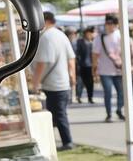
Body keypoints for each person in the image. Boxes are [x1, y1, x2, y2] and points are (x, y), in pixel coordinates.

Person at [32, 11, 76, 150]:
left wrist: (35, 83)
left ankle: (67, 142)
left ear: (45, 21)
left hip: (53, 84)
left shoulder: (46, 37)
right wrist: (72, 77)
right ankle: (55, 141)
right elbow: (71, 59)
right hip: (63, 83)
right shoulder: (61, 35)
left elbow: (42, 63)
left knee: (57, 114)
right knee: (58, 114)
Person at [93, 14, 124, 123]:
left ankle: (119, 110)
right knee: (108, 92)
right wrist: (94, 68)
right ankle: (109, 113)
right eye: (108, 23)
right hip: (104, 70)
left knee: (121, 92)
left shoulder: (120, 35)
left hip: (119, 69)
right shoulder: (100, 37)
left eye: (113, 24)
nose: (111, 26)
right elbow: (95, 54)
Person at [75, 26, 95, 104]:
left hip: (90, 66)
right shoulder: (80, 42)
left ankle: (90, 97)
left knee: (90, 82)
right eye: (88, 33)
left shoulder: (93, 42)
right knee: (80, 82)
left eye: (91, 33)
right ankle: (78, 97)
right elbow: (77, 52)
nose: (90, 35)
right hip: (82, 65)